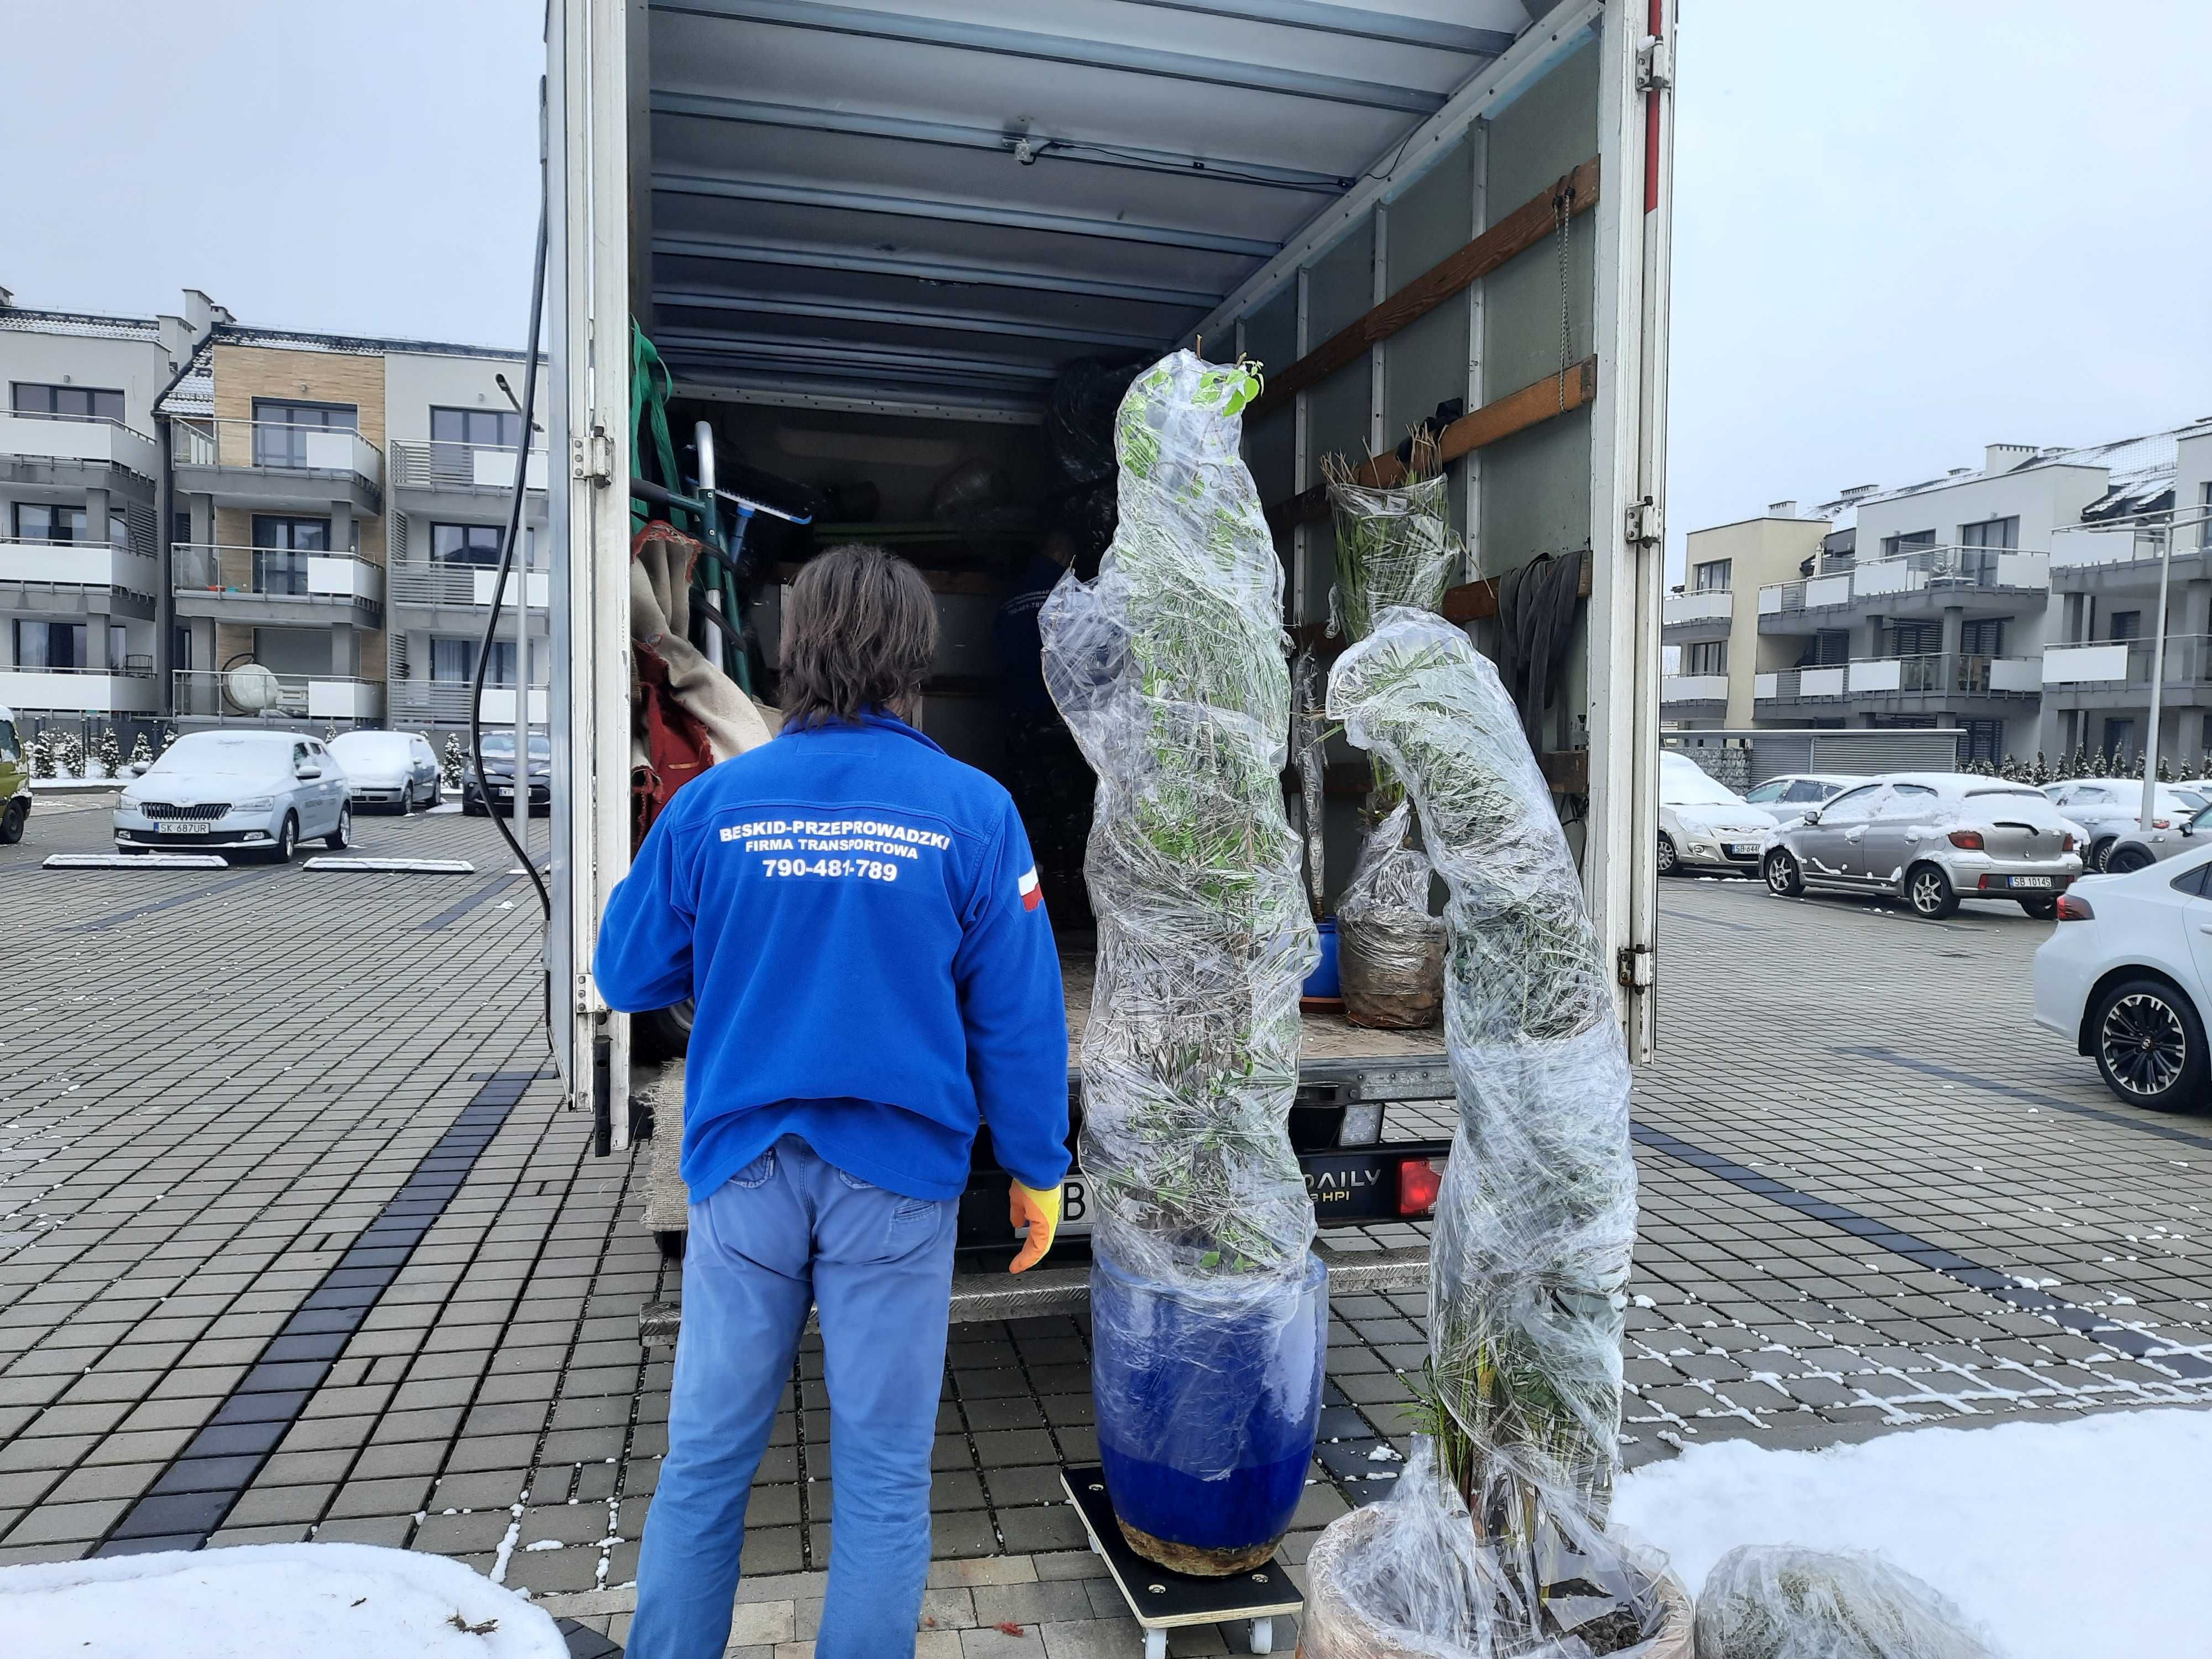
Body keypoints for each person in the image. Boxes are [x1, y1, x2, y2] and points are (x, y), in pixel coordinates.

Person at [595, 543, 1071, 1659]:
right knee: (880, 1480)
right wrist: (1038, 1169)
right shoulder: (975, 811)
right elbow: (1018, 1015)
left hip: (741, 1172)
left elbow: (626, 975)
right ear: (919, 656)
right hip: (895, 1185)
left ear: (789, 648)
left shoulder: (715, 803)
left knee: (706, 1465)